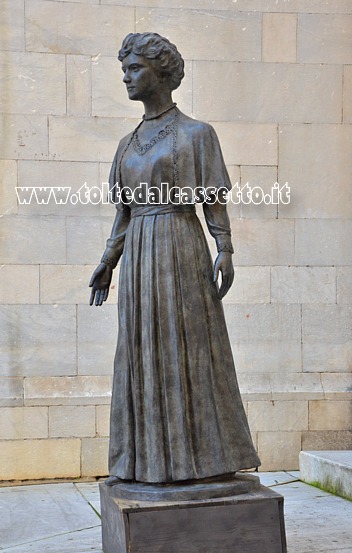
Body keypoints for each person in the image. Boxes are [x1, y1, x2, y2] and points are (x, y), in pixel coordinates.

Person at [89, 32, 260, 484]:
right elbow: (125, 212)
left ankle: (202, 458)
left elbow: (212, 199)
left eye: (134, 69)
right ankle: (146, 462)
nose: (126, 78)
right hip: (141, 255)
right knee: (141, 349)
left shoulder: (196, 134)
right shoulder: (127, 143)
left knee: (192, 348)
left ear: (161, 72)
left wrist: (224, 247)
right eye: (124, 70)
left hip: (181, 246)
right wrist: (109, 260)